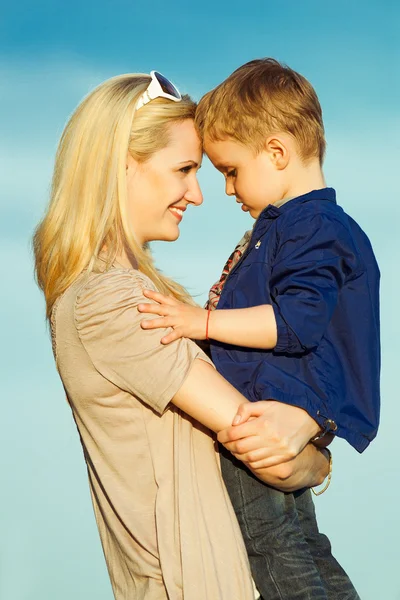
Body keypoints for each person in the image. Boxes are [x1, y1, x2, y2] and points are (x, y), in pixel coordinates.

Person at [32, 70, 330, 600]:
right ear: (122, 164)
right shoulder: (111, 301)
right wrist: (318, 459)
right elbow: (261, 437)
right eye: (184, 169)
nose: (197, 194)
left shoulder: (139, 296)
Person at [138, 59, 381, 600]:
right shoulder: (302, 226)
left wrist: (197, 322)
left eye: (230, 170)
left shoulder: (309, 226)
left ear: (276, 153)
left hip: (268, 410)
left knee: (271, 546)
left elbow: (295, 321)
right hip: (284, 407)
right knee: (305, 545)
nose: (225, 190)